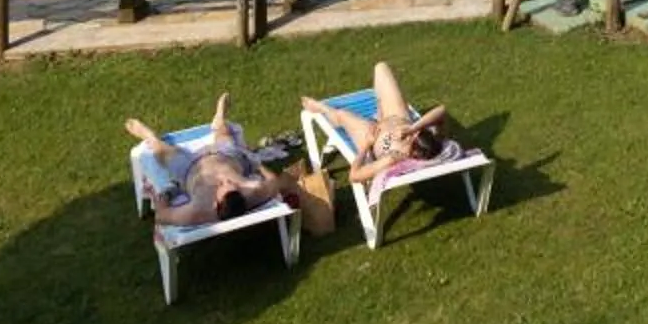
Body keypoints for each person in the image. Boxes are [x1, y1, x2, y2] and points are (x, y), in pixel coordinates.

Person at [127, 92, 286, 228]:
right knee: (225, 137)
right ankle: (219, 119)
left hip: (189, 169)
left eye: (222, 186)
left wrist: (163, 196)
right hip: (226, 157)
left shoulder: (198, 211)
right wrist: (258, 165)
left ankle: (149, 137)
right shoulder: (253, 192)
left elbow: (162, 217)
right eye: (233, 184)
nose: (225, 181)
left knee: (163, 153)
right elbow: (273, 182)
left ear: (215, 204)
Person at [302, 61, 451, 188]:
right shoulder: (423, 138)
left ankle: (321, 108)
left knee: (342, 115)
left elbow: (354, 176)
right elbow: (442, 110)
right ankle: (379, 106)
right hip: (396, 117)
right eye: (415, 135)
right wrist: (413, 128)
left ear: (414, 154)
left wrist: (366, 145)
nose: (409, 136)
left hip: (373, 136)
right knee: (381, 68)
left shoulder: (393, 158)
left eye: (411, 139)